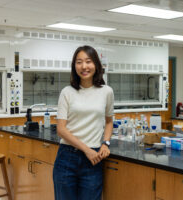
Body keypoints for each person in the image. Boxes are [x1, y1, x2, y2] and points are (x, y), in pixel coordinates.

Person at [53, 45, 114, 200]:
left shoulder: (107, 91)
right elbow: (61, 129)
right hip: (67, 157)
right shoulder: (67, 92)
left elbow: (109, 121)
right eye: (79, 62)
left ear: (96, 65)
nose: (84, 66)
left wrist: (105, 143)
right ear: (74, 66)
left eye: (88, 61)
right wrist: (86, 150)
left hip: (93, 160)